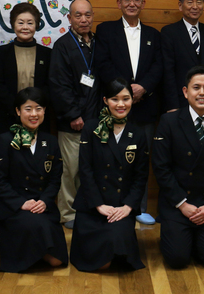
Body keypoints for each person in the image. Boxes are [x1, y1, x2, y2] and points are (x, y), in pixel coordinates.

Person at [153, 66, 204, 269]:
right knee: (177, 260)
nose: (201, 93)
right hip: (178, 204)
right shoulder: (169, 122)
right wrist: (182, 204)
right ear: (185, 91)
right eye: (196, 87)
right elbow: (161, 168)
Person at [94, 0, 163, 225]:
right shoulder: (105, 30)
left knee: (141, 158)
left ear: (143, 4)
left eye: (136, 0)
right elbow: (102, 64)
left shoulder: (155, 34)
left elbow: (158, 67)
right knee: (111, 157)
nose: (132, 3)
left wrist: (144, 87)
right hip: (116, 106)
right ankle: (112, 205)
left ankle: (139, 207)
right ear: (119, 3)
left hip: (145, 107)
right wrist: (124, 92)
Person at [70, 78, 148, 271]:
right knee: (100, 261)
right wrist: (99, 205)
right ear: (105, 100)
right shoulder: (91, 128)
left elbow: (141, 176)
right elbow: (85, 170)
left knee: (115, 253)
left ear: (132, 100)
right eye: (115, 99)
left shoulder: (137, 133)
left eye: (126, 98)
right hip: (92, 205)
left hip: (121, 206)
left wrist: (128, 207)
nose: (121, 104)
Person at [0, 87, 68, 272]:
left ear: (44, 111)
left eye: (39, 108)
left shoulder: (50, 141)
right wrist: (22, 203)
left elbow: (55, 179)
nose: (34, 114)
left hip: (43, 206)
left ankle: (34, 250)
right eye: (28, 109)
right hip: (15, 208)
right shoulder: (5, 140)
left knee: (57, 261)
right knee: (34, 227)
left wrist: (44, 201)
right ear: (18, 111)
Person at [49, 0, 101, 229]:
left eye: (87, 15)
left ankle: (90, 209)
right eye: (78, 15)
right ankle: (68, 213)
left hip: (96, 119)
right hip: (73, 121)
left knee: (91, 168)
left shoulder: (98, 43)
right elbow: (58, 84)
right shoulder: (62, 45)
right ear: (69, 18)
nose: (83, 20)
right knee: (71, 169)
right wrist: (72, 114)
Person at [0, 3, 51, 136]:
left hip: (39, 117)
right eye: (20, 23)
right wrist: (17, 109)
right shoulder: (1, 52)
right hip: (9, 115)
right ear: (13, 25)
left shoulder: (47, 54)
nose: (25, 27)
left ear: (36, 25)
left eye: (30, 23)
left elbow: (50, 84)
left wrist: (35, 108)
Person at [161, 0, 204, 112]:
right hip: (180, 102)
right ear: (181, 5)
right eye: (190, 2)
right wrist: (172, 105)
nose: (195, 7)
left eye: (199, 2)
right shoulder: (169, 32)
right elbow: (168, 71)